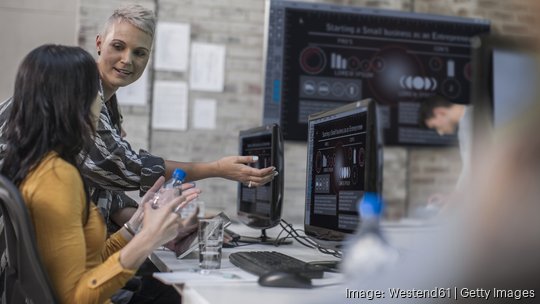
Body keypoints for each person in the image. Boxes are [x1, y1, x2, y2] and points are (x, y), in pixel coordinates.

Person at [0, 4, 276, 233]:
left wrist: (161, 226)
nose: (127, 60)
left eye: (139, 53)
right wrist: (218, 168)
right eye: (118, 46)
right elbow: (122, 166)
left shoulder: (108, 104)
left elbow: (99, 179)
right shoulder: (78, 90)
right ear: (99, 43)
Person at [0, 44, 199, 303]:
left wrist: (138, 222)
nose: (101, 105)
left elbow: (85, 264)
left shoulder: (35, 166)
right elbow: (76, 297)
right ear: (73, 103)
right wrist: (150, 238)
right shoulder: (57, 178)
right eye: (94, 94)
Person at [418, 95, 471, 190]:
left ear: (440, 112)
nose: (440, 133)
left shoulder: (472, 119)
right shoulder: (464, 125)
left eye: (435, 127)